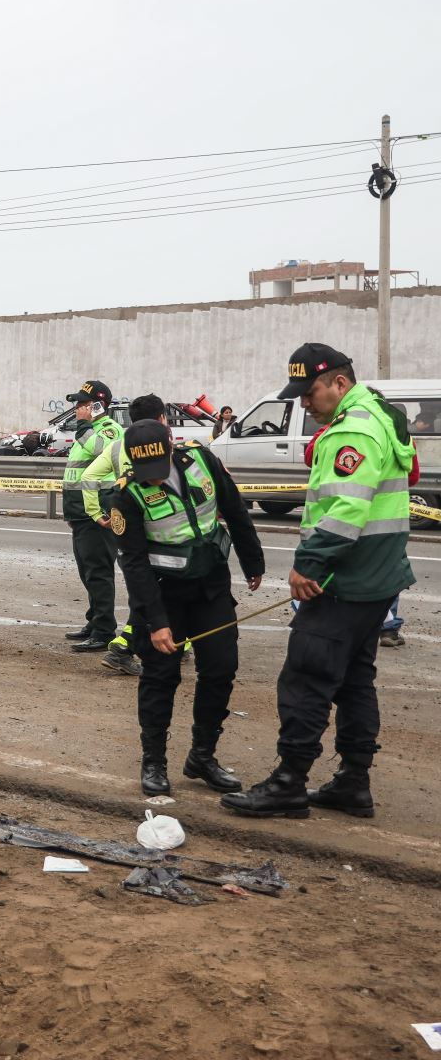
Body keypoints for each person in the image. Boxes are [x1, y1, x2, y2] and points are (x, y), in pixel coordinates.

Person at [222, 344, 416, 820]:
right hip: (376, 575)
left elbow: (346, 509)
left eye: (309, 393)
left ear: (339, 384)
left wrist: (309, 564)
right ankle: (353, 783)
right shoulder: (378, 418)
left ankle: (289, 782)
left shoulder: (354, 431)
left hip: (346, 578)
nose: (303, 404)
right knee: (353, 679)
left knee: (307, 677)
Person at [108, 419, 266, 795]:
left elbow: (235, 509)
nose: (155, 479)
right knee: (161, 678)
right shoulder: (126, 496)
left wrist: (252, 561)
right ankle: (154, 762)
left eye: (159, 468)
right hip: (164, 597)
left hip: (211, 589)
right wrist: (157, 621)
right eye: (146, 472)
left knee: (221, 669)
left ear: (170, 445)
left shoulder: (202, 461)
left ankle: (202, 755)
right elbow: (133, 563)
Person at [83, 392, 170, 677]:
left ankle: (171, 640)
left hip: (129, 525)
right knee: (162, 588)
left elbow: (88, 477)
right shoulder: (165, 442)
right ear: (161, 419)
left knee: (146, 586)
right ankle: (124, 645)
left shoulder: (118, 443)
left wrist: (97, 515)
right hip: (162, 526)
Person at [61, 380, 124, 653]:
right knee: (87, 571)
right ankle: (94, 621)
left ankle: (104, 630)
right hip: (80, 512)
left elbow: (102, 451)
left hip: (98, 512)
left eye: (83, 404)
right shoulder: (87, 431)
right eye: (77, 404)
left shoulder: (109, 430)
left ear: (98, 406)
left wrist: (85, 427)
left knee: (98, 572)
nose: (77, 409)